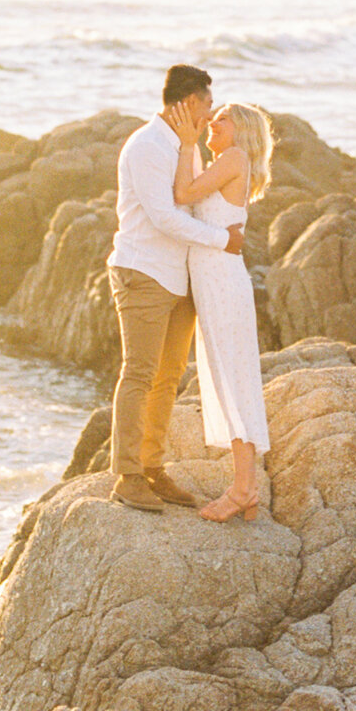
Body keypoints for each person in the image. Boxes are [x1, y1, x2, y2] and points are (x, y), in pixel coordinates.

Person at [104, 65, 245, 513]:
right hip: (143, 271)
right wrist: (224, 241)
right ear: (187, 102)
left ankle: (152, 468)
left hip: (179, 276)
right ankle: (127, 477)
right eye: (206, 104)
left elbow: (194, 201)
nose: (209, 114)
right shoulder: (146, 146)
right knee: (140, 373)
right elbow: (165, 217)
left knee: (167, 379)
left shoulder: (185, 147)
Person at [167, 98, 273, 521]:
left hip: (223, 283)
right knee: (225, 378)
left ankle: (244, 489)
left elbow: (182, 194)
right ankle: (244, 486)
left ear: (240, 130)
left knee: (233, 380)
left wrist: (186, 144)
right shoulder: (225, 161)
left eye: (222, 119)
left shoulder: (234, 157)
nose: (213, 122)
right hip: (214, 282)